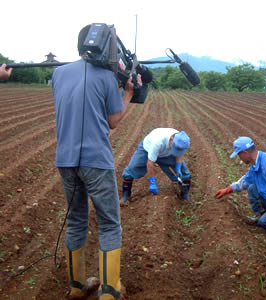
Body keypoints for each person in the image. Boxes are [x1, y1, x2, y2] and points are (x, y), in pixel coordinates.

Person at [52, 24, 135, 300]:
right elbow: (113, 121)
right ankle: (110, 291)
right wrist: (129, 94)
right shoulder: (106, 78)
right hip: (96, 161)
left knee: (76, 220)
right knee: (110, 223)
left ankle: (76, 287)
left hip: (65, 160)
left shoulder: (58, 74)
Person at [215, 136, 266, 234]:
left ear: (245, 153)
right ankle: (261, 215)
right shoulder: (255, 166)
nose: (240, 158)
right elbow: (244, 182)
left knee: (265, 222)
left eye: (239, 155)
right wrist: (226, 190)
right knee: (252, 188)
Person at [121, 128, 191, 203]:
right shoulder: (158, 142)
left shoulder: (181, 140)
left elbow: (179, 153)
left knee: (185, 173)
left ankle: (184, 195)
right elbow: (150, 163)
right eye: (175, 148)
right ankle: (126, 195)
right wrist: (152, 182)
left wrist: (178, 166)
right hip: (147, 150)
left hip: (166, 154)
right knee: (132, 169)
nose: (176, 150)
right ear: (171, 139)